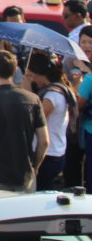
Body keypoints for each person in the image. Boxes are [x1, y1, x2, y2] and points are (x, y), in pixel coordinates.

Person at [0, 50, 49, 192]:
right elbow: (44, 141)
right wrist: (35, 165)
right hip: (25, 173)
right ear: (15, 70)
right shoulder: (33, 99)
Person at [28, 53, 74, 191]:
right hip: (56, 150)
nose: (32, 79)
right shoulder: (57, 90)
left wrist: (27, 90)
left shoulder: (52, 95)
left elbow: (34, 118)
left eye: (31, 75)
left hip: (50, 154)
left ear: (39, 73)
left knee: (43, 192)